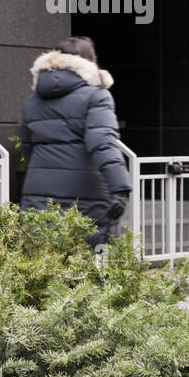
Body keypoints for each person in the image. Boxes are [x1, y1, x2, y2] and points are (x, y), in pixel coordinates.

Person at [18, 36, 131, 246]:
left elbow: (27, 149)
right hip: (86, 195)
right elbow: (103, 143)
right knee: (94, 265)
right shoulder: (97, 96)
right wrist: (121, 189)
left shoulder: (33, 101)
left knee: (43, 262)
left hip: (38, 193)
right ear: (89, 61)